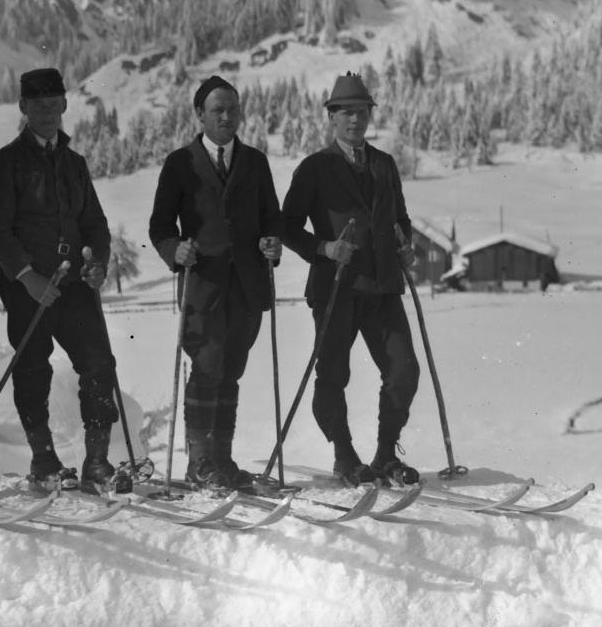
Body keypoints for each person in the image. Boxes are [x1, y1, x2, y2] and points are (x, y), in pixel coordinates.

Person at [0, 68, 131, 494]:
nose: (47, 113)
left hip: (75, 287)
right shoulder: (6, 163)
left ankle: (97, 464)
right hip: (28, 288)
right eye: (37, 105)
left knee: (99, 364)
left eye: (54, 104)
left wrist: (97, 262)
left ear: (64, 105)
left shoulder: (75, 164)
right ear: (24, 108)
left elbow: (96, 225)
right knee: (32, 368)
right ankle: (44, 461)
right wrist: (27, 277)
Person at [281, 72, 421, 487]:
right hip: (336, 289)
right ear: (331, 117)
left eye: (361, 112)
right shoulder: (315, 168)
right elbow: (287, 226)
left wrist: (405, 244)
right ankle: (344, 454)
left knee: (404, 370)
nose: (355, 121)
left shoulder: (384, 164)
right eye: (346, 113)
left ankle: (383, 456)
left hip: (382, 288)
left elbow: (400, 219)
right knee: (333, 375)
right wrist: (324, 249)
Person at [149, 75, 284, 491]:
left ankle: (222, 460)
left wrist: (271, 242)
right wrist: (175, 251)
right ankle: (199, 462)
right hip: (202, 285)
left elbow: (272, 218)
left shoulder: (256, 162)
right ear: (199, 115)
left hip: (246, 287)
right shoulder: (180, 163)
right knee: (206, 368)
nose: (227, 117)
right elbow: (159, 226)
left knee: (231, 370)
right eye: (217, 110)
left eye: (233, 109)